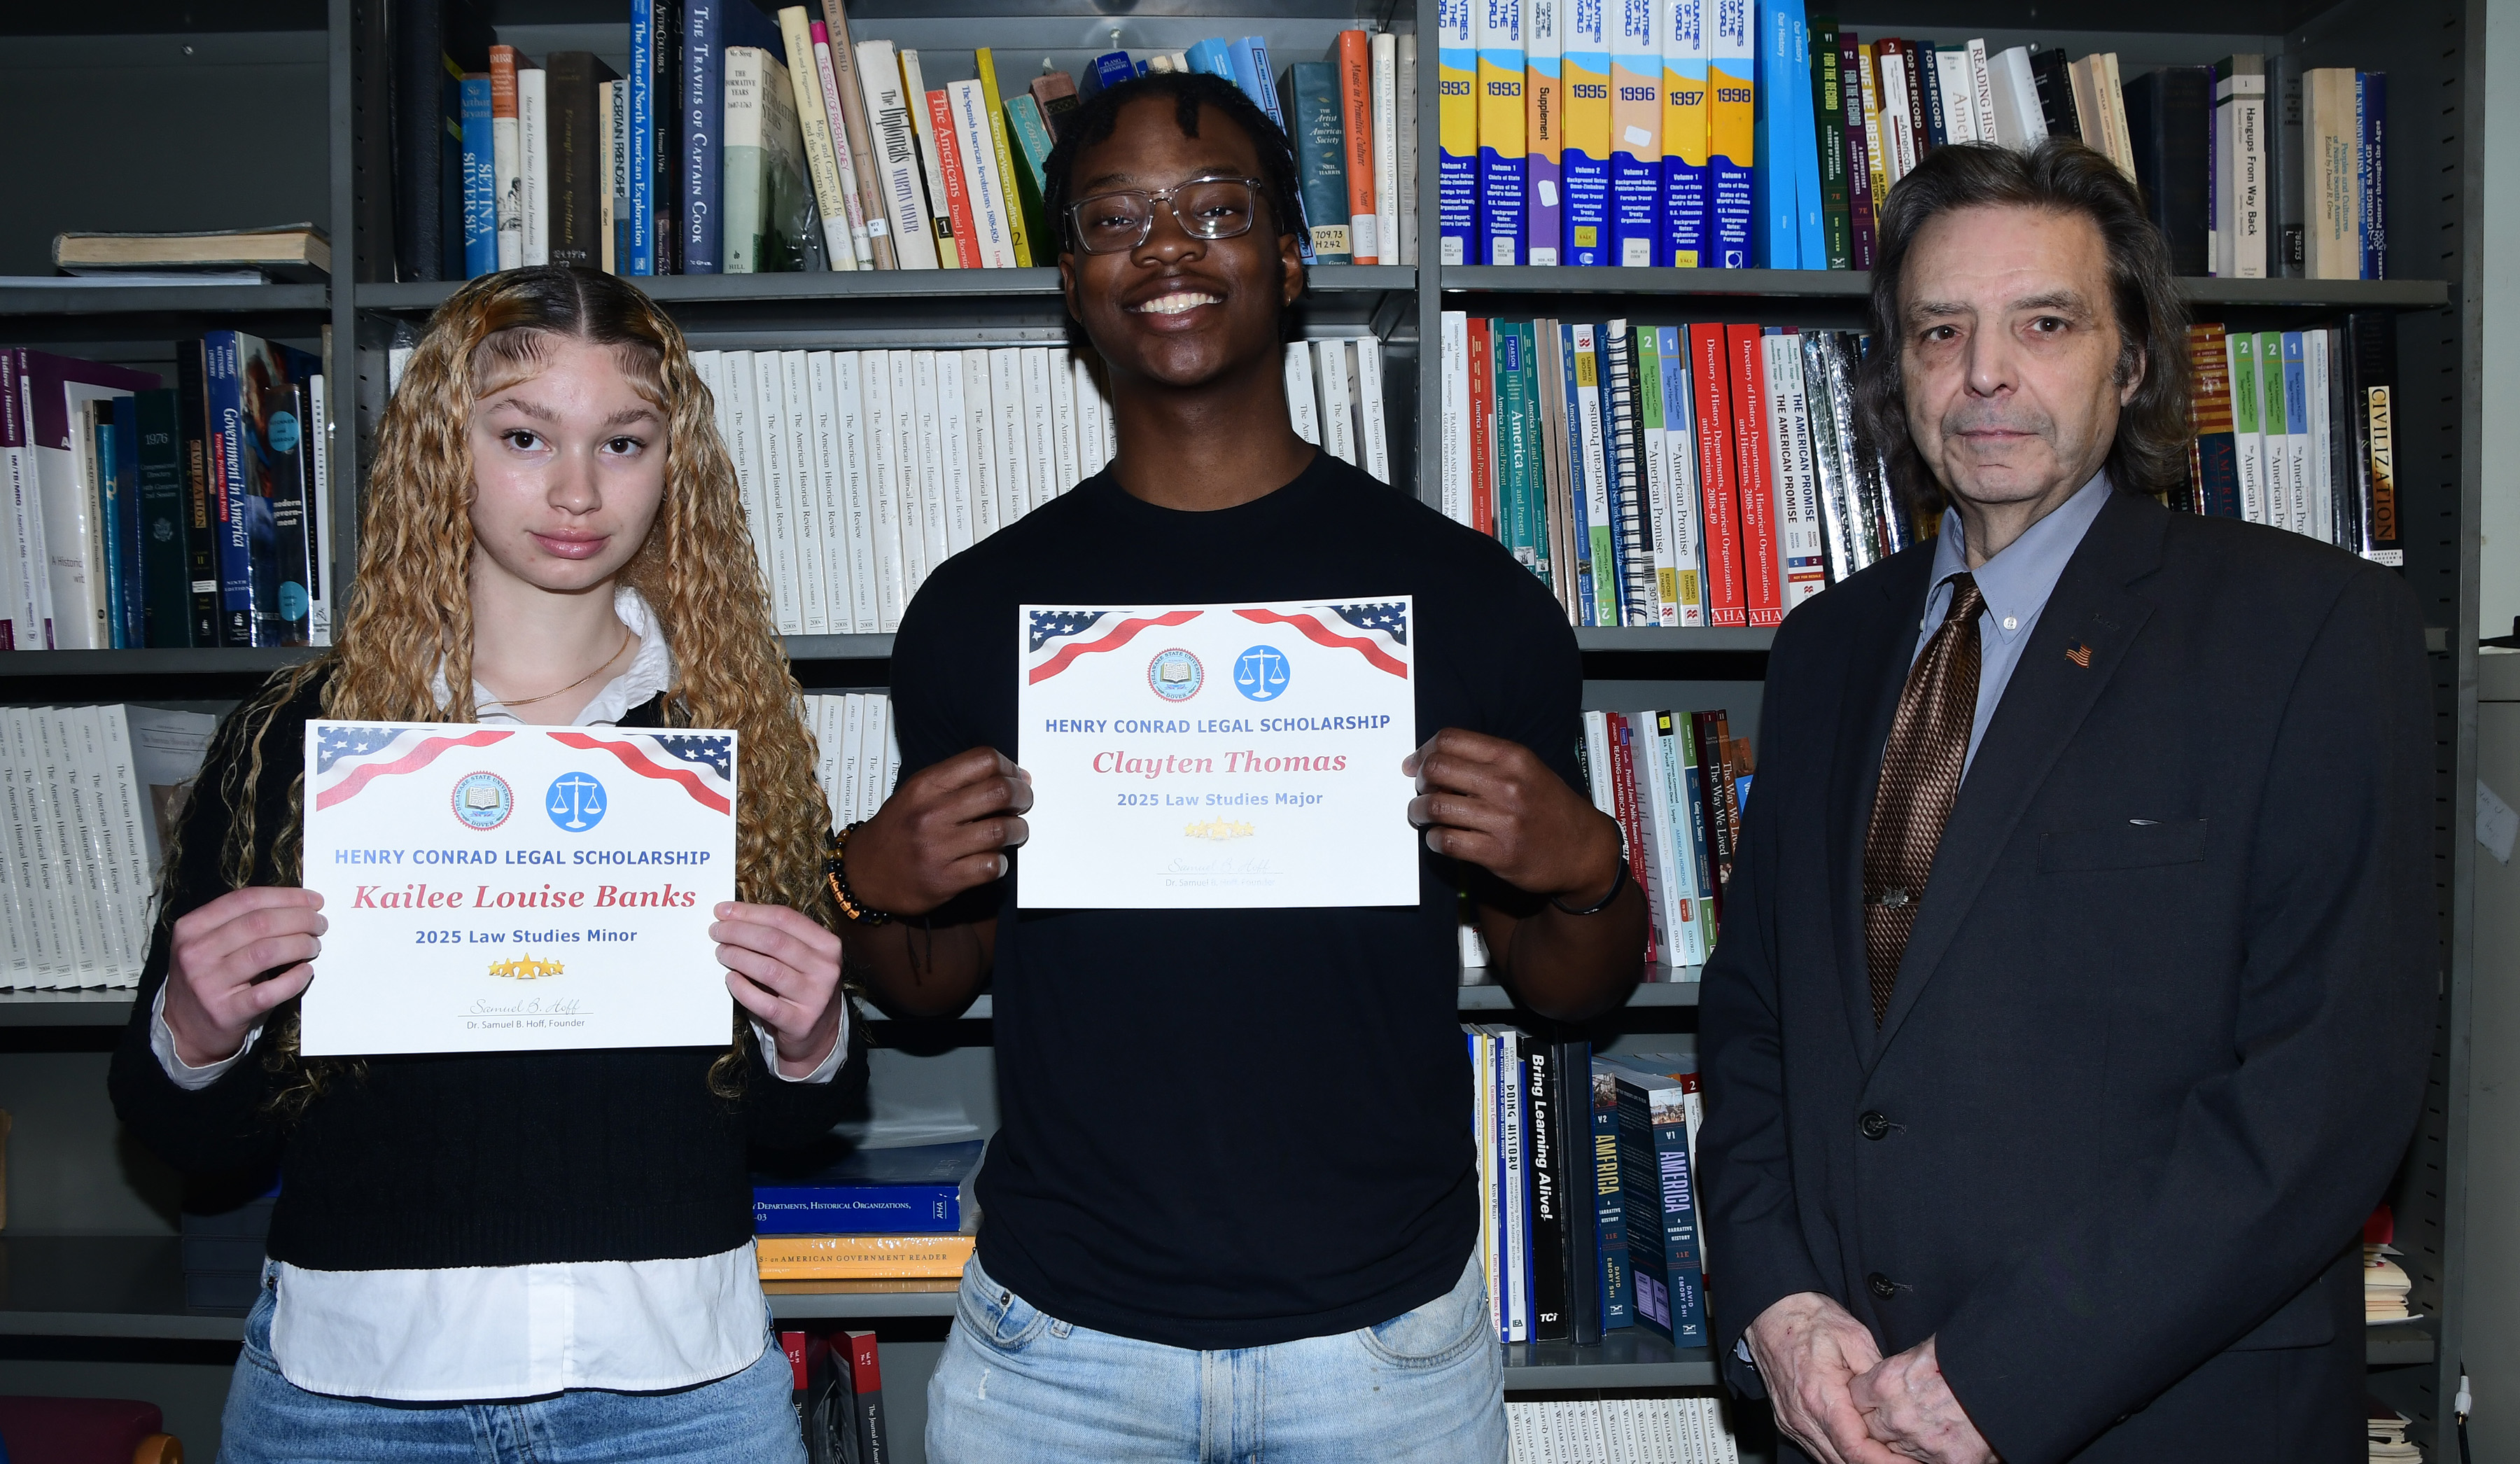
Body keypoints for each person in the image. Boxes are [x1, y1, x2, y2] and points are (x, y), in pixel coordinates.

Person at [831, 71, 1645, 1460]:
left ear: (1290, 255)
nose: (1166, 246)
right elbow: (925, 993)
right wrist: (867, 883)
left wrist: (1587, 865)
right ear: (1071, 279)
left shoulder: (1465, 597)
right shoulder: (976, 611)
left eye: (1217, 208)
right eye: (1115, 216)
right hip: (1059, 1348)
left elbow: (1573, 983)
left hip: (1384, 1346)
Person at [1694, 139, 2437, 1464]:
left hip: (2165, 1419)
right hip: (1841, 1416)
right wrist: (1776, 1303)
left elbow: (2325, 1093)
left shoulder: (2314, 630)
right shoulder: (1825, 650)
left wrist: (1999, 1371)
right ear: (1900, 367)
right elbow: (1753, 1022)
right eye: (1942, 330)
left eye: (2045, 323)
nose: (1986, 373)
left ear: (2133, 359)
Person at [107, 266, 865, 1463]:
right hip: (353, 1400)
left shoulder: (733, 734)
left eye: (623, 442)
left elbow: (788, 1117)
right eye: (524, 437)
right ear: (439, 448)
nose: (576, 490)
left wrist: (813, 1039)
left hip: (680, 1399)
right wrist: (194, 1037)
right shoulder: (297, 742)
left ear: (676, 465)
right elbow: (194, 1142)